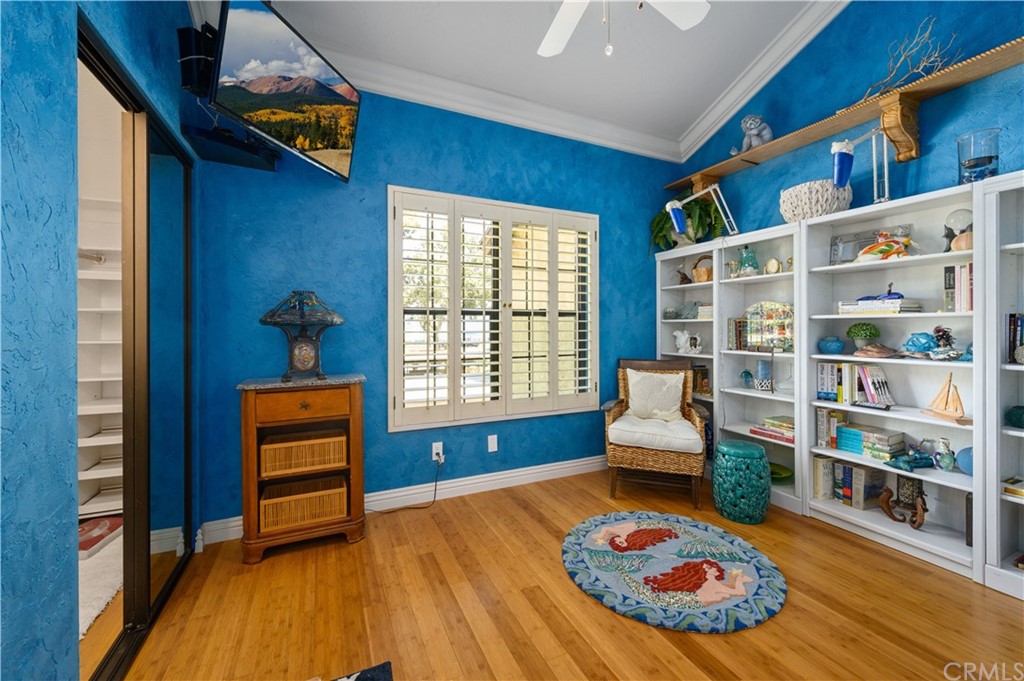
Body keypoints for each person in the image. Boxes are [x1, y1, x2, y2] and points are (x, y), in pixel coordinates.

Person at [643, 558, 752, 605]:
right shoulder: (712, 583)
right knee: (723, 595)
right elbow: (741, 593)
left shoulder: (709, 582)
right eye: (711, 567)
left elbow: (727, 587)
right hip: (696, 603)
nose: (715, 568)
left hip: (694, 600)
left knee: (723, 594)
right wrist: (740, 580)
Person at [591, 521, 678, 554]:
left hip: (637, 525)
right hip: (637, 525)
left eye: (618, 542)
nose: (618, 541)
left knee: (612, 531)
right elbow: (607, 529)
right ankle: (604, 536)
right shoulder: (626, 536)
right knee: (615, 529)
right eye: (620, 543)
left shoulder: (626, 535)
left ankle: (603, 536)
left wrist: (601, 536)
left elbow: (605, 528)